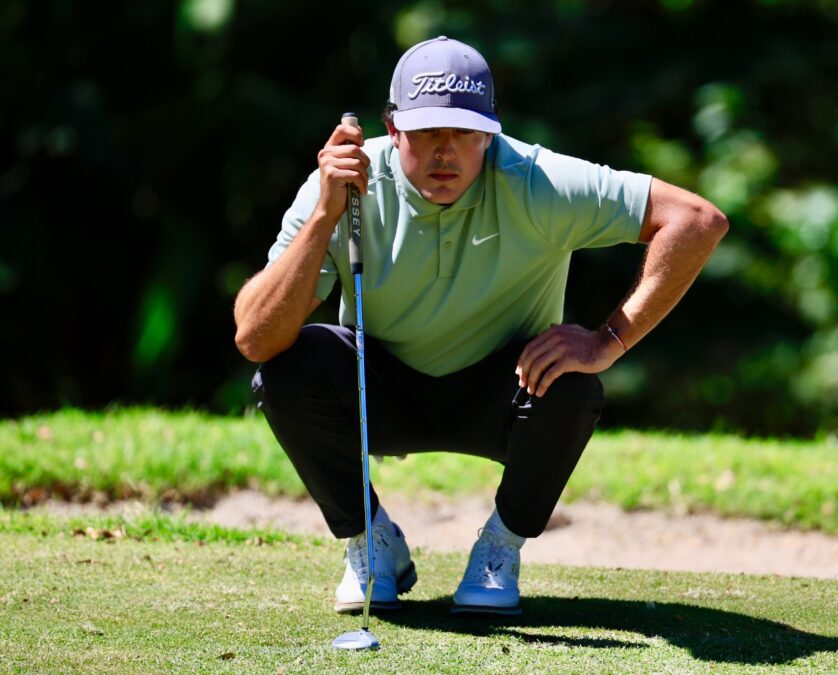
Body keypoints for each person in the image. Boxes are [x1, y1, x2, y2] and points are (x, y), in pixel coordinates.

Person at [233, 36, 728, 616]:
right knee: (291, 367)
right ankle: (370, 540)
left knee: (572, 382)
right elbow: (255, 339)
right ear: (392, 129)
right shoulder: (344, 183)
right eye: (425, 132)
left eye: (464, 132)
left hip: (505, 393)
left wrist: (606, 341)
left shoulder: (536, 180)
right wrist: (324, 215)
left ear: (491, 131)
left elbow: (697, 220)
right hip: (380, 394)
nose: (446, 152)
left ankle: (500, 548)